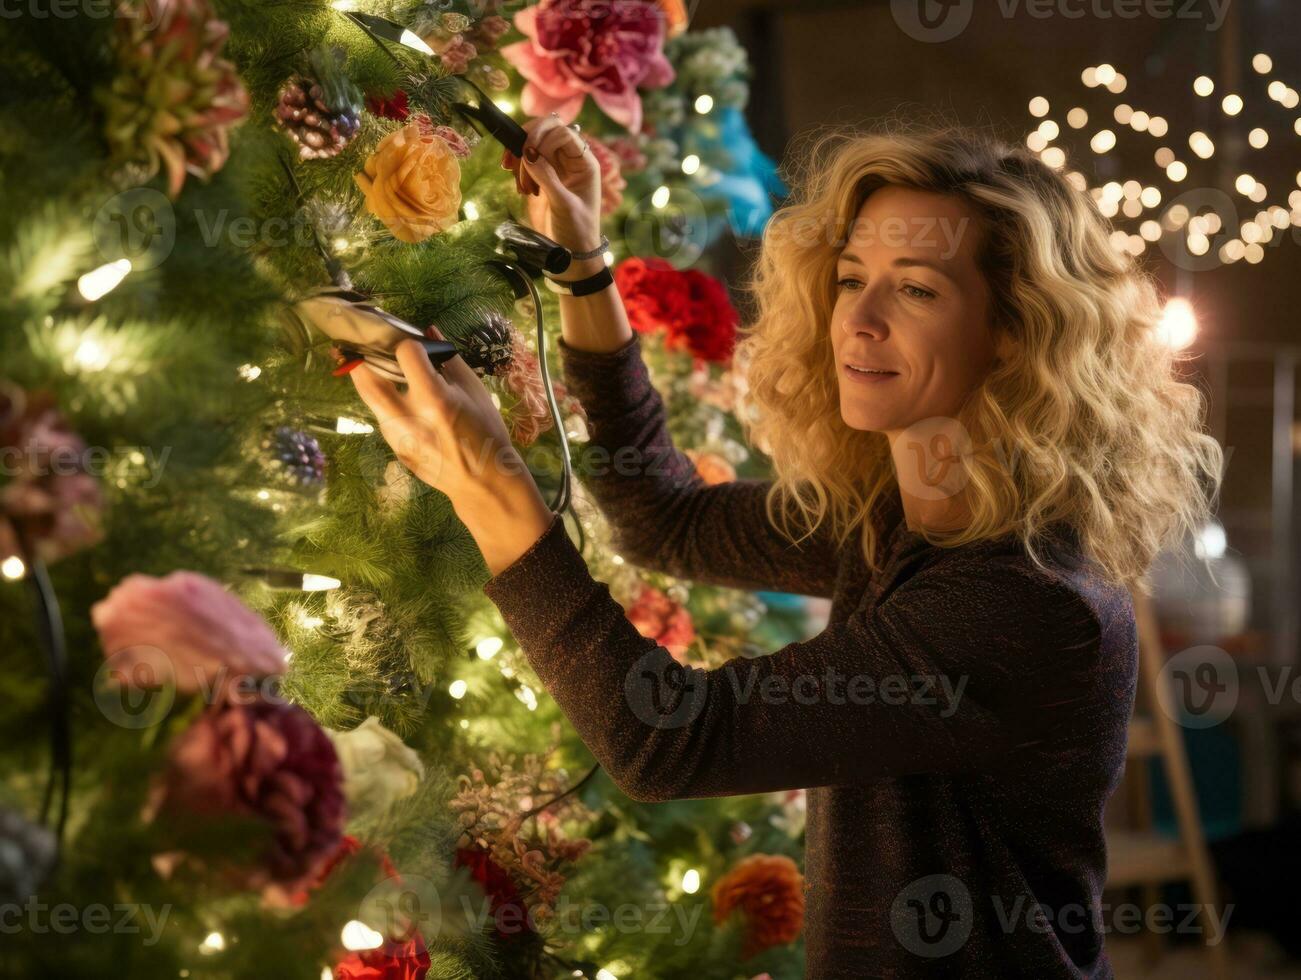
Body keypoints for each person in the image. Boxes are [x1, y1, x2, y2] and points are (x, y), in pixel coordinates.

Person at [348, 115, 1223, 978]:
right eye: (850, 279)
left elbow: (667, 741)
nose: (861, 320)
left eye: (915, 288)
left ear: (1014, 332)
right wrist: (583, 270)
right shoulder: (897, 518)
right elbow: (665, 517)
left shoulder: (1024, 599)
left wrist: (488, 480)